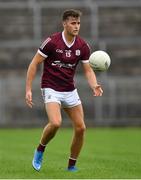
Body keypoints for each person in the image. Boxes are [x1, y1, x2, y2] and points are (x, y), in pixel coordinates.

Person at [25, 9, 103, 172]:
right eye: (73, 23)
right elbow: (34, 64)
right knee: (56, 123)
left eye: (78, 23)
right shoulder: (52, 42)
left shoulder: (82, 46)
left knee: (81, 128)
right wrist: (28, 89)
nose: (76, 26)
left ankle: (71, 166)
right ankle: (40, 149)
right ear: (64, 24)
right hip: (51, 87)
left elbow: (88, 70)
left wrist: (94, 85)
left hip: (69, 89)